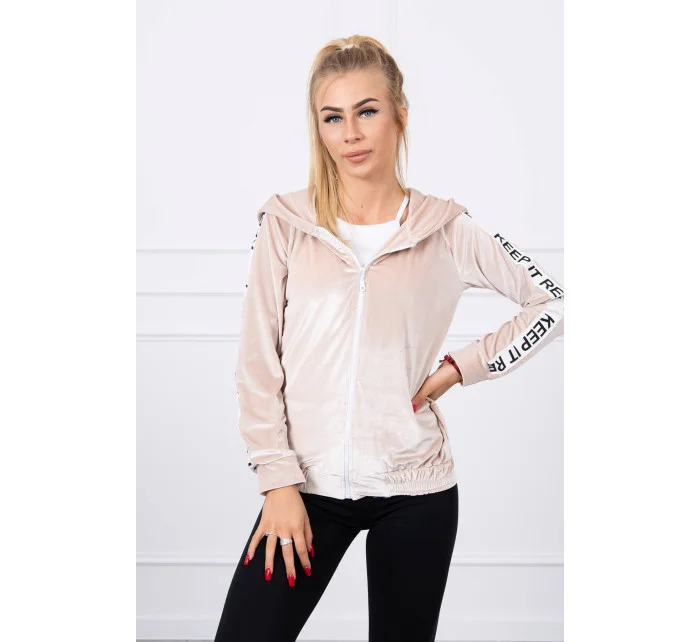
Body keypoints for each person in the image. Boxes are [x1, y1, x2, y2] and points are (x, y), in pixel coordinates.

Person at [214, 35, 564, 642]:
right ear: (318, 128)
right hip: (306, 488)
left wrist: (461, 367)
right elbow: (256, 361)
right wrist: (277, 482)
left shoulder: (446, 228)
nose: (350, 133)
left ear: (399, 114)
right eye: (333, 117)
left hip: (416, 488)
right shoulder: (285, 224)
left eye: (367, 111)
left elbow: (551, 304)